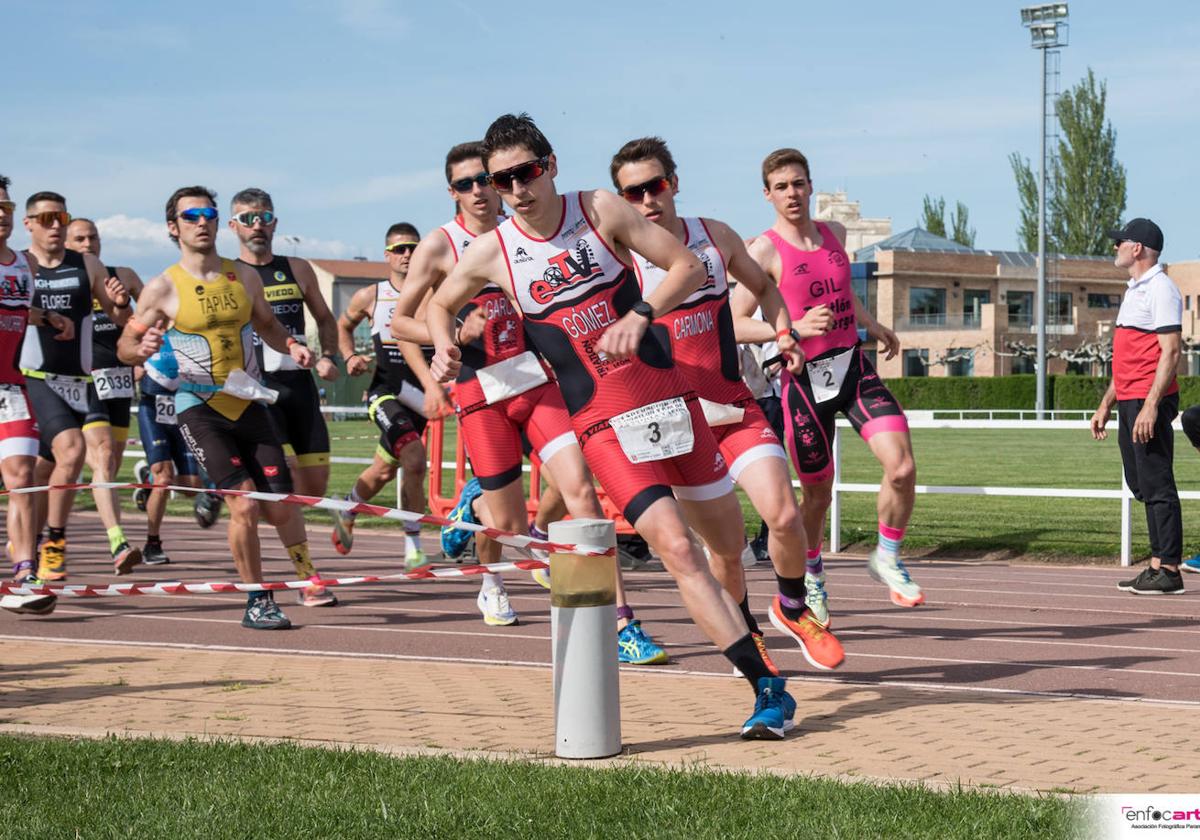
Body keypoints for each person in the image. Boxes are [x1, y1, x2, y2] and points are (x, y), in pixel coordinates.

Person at [428, 114, 845, 740]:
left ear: (552, 165)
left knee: (725, 548)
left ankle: (773, 616)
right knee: (677, 552)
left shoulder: (598, 210)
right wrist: (442, 347)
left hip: (671, 405)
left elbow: (684, 266)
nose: (516, 188)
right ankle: (767, 688)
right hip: (601, 425)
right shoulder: (493, 252)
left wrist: (643, 312)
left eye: (527, 172)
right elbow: (434, 302)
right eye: (501, 179)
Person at [391, 141, 664, 658]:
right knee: (506, 524)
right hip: (482, 394)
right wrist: (450, 339)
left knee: (581, 487)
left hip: (536, 382)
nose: (481, 192)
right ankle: (491, 571)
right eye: (468, 184)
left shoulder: (529, 229)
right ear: (454, 192)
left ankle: (620, 622)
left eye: (486, 180)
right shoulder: (441, 246)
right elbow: (402, 320)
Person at [610, 136, 829, 649]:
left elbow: (768, 290)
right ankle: (745, 636)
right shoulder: (619, 261)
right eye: (633, 193)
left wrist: (783, 334)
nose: (647, 201)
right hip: (676, 426)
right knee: (724, 551)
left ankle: (793, 605)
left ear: (675, 183)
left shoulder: (714, 237)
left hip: (735, 407)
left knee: (784, 513)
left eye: (655, 186)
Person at [117, 185, 330, 630]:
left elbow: (269, 325)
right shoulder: (163, 287)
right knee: (245, 506)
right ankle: (257, 598)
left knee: (280, 504)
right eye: (190, 215)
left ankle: (307, 573)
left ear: (217, 221)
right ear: (173, 228)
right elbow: (125, 346)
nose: (201, 222)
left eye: (208, 213)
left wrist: (292, 344)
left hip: (247, 400)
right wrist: (142, 349)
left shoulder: (243, 277)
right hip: (198, 406)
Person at [748, 148, 923, 611]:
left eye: (799, 183)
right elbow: (731, 320)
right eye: (781, 186)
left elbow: (842, 292)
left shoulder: (835, 233)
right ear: (767, 194)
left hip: (852, 367)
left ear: (810, 186)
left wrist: (874, 324)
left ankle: (886, 554)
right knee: (818, 494)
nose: (792, 193)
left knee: (902, 468)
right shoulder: (762, 250)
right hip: (803, 383)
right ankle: (811, 575)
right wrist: (790, 331)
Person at [20, 191, 138, 579]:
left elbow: (122, 319)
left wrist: (120, 303)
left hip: (83, 381)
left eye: (61, 217)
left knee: (47, 470)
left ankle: (33, 542)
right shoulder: (23, 265)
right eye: (47, 218)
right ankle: (52, 542)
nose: (55, 225)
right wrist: (46, 318)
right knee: (71, 453)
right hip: (37, 377)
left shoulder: (87, 265)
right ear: (30, 224)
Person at [1092, 218, 1185, 595]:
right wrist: (1105, 403)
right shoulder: (1134, 290)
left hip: (1150, 400)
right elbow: (1128, 358)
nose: (1115, 248)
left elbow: (1171, 351)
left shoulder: (1161, 288)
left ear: (1138, 249)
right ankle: (1156, 564)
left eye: (1120, 242)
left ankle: (1171, 570)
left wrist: (1151, 406)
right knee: (1140, 482)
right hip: (1130, 399)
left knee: (1157, 482)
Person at [332, 223, 431, 571]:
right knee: (415, 459)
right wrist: (349, 357)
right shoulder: (371, 295)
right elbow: (342, 326)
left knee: (382, 472)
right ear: (387, 255)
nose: (407, 255)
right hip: (384, 392)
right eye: (400, 249)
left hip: (420, 398)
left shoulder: (436, 293)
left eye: (413, 248)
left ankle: (348, 505)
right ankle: (414, 547)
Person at [230, 188, 339, 496]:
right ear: (233, 226)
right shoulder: (228, 275)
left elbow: (326, 319)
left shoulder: (297, 268)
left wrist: (329, 356)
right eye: (247, 218)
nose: (257, 225)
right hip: (257, 391)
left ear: (274, 223)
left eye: (264, 217)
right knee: (281, 485)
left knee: (315, 488)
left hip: (299, 389)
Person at [0, 174, 73, 616]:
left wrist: (45, 317)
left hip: (10, 387)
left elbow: (15, 309)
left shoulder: (22, 264)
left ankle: (24, 574)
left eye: (6, 207)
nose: (1, 215)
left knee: (22, 476)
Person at [65, 218, 143, 481]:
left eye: (93, 237)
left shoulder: (123, 276)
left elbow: (152, 315)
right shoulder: (59, 281)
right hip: (83, 377)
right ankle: (111, 524)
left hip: (120, 377)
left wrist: (143, 358)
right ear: (65, 243)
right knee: (104, 454)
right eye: (80, 239)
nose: (88, 244)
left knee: (111, 463)